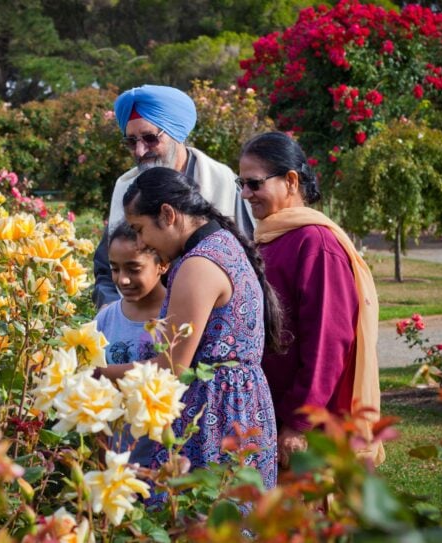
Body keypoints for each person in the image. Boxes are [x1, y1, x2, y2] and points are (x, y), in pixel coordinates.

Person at [98, 167, 284, 489]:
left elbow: (171, 367)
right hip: (240, 408)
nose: (141, 241)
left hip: (215, 414)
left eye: (140, 229)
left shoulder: (198, 264)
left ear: (168, 215)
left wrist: (95, 375)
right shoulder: (221, 244)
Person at [238, 131, 385, 467]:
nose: (246, 194)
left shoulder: (315, 244)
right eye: (241, 183)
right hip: (268, 411)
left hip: (306, 423)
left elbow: (328, 342)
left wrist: (300, 421)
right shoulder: (269, 237)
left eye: (255, 183)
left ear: (291, 181)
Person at [92, 84, 254, 308]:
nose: (140, 151)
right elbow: (105, 269)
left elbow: (252, 258)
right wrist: (113, 313)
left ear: (177, 134)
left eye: (150, 138)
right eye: (131, 142)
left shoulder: (222, 181)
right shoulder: (126, 187)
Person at [95, 221, 168, 465]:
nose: (122, 280)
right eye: (115, 269)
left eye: (134, 269)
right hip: (116, 455)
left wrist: (102, 372)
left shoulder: (175, 317)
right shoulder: (105, 318)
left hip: (165, 455)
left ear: (163, 265)